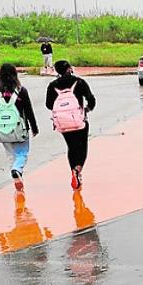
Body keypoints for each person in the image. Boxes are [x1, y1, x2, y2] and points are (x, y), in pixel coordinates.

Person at [0, 62, 39, 192]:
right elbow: (29, 111)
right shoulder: (21, 91)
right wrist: (34, 128)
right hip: (20, 129)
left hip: (2, 130)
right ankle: (17, 170)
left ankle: (16, 177)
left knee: (10, 155)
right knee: (22, 153)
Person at [46, 60, 97, 189]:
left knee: (71, 147)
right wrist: (86, 109)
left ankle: (72, 170)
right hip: (79, 120)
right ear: (69, 68)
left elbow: (48, 105)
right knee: (82, 146)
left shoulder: (52, 86)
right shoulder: (79, 82)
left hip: (63, 123)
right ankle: (77, 170)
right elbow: (91, 99)